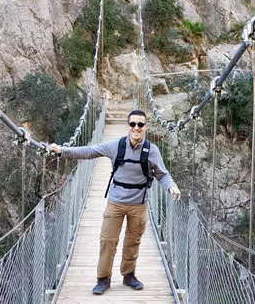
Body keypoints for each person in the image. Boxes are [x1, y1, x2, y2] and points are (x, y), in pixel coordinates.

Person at [47, 109, 181, 295]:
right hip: (115, 202)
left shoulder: (151, 150)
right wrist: (63, 151)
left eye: (140, 125)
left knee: (133, 241)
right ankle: (103, 279)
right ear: (127, 126)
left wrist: (171, 186)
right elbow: (90, 151)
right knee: (108, 241)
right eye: (133, 124)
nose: (136, 128)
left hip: (139, 204)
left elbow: (162, 174)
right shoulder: (115, 146)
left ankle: (129, 275)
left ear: (145, 127)